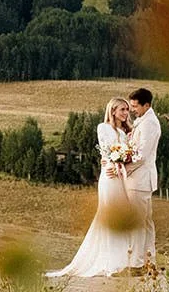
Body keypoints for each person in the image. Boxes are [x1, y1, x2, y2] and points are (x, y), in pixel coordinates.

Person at [46, 97, 143, 277]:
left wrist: (122, 163)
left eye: (127, 110)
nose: (125, 113)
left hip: (121, 177)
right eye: (122, 109)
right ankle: (111, 261)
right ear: (113, 110)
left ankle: (123, 260)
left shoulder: (125, 132)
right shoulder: (103, 128)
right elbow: (106, 151)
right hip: (110, 176)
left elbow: (128, 154)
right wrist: (113, 164)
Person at [124, 87, 159, 270]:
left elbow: (142, 154)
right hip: (141, 179)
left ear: (147, 105)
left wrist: (124, 167)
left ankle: (137, 264)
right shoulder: (143, 121)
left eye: (135, 106)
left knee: (139, 223)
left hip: (139, 179)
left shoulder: (149, 124)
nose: (132, 110)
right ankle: (148, 262)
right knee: (145, 222)